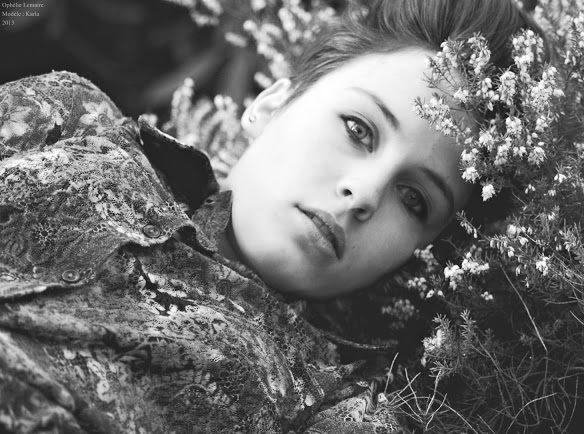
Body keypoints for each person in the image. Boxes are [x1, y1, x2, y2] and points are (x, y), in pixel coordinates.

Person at [0, 0, 546, 432]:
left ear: (419, 249)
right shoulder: (72, 118)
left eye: (415, 200)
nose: (364, 193)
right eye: (358, 129)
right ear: (271, 104)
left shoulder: (331, 412)